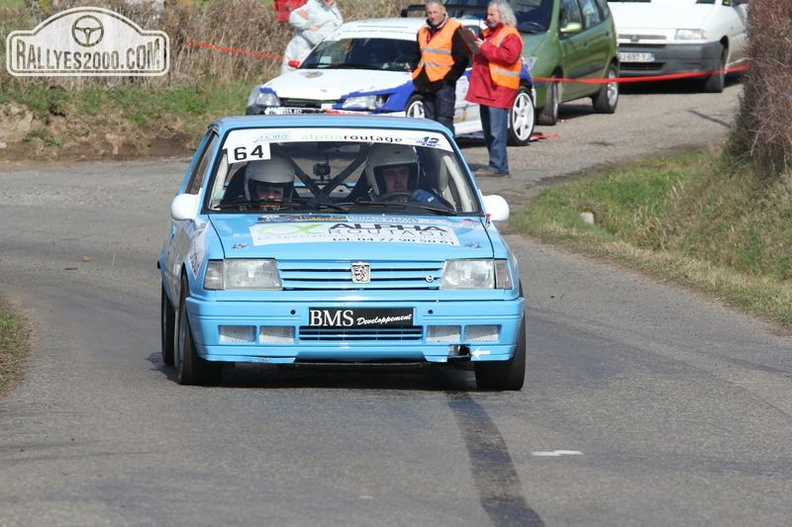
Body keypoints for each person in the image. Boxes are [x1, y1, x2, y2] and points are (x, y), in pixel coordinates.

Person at [465, 0, 523, 177]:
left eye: (492, 14)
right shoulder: (491, 33)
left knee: (496, 131)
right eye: (488, 14)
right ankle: (495, 165)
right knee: (489, 130)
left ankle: (498, 166)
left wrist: (484, 47)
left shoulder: (510, 35)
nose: (488, 17)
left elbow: (508, 57)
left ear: (502, 15)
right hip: (487, 88)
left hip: (499, 89)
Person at [410, 0, 470, 135]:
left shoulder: (454, 28)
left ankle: (447, 154)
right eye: (429, 13)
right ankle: (432, 155)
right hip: (425, 83)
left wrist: (450, 78)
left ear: (443, 11)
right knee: (429, 123)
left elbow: (463, 58)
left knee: (444, 122)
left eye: (435, 12)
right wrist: (415, 73)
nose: (432, 16)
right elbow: (416, 55)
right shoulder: (422, 31)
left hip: (444, 85)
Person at [364, 144, 445, 206]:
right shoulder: (361, 210)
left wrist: (435, 207)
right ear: (378, 179)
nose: (398, 180)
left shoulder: (424, 203)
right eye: (390, 174)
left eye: (404, 173)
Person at [282, 0, 342, 74]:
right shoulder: (312, 3)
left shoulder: (335, 17)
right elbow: (292, 17)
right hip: (294, 49)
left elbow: (319, 40)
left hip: (313, 57)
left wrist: (301, 29)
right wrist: (308, 25)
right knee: (285, 80)